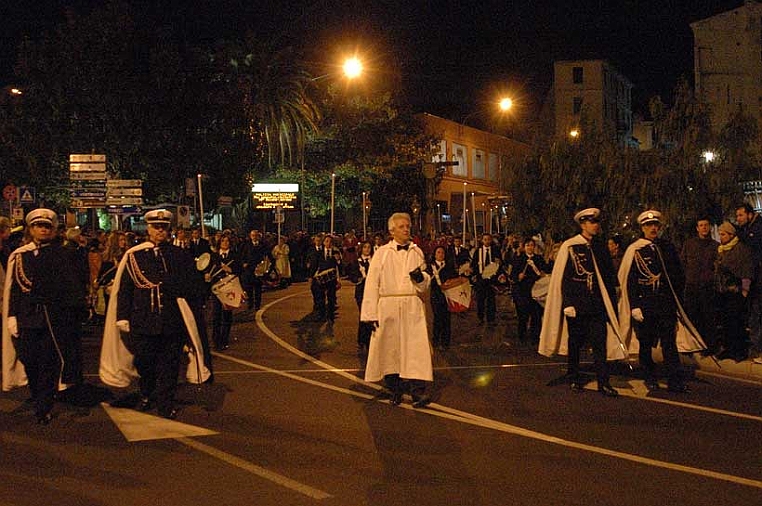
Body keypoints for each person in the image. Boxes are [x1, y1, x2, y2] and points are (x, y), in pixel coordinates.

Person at [100, 209, 209, 419]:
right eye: (155, 227)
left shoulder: (179, 255)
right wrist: (122, 316)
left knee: (170, 364)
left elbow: (190, 286)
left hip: (171, 321)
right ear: (148, 228)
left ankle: (165, 404)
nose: (160, 230)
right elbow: (125, 289)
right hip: (143, 321)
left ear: (168, 230)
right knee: (145, 362)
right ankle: (147, 393)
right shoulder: (135, 255)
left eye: (163, 227)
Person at [3, 209, 88, 423]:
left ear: (53, 230)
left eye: (47, 226)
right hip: (27, 318)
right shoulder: (20, 254)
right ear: (30, 229)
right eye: (38, 226)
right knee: (29, 360)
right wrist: (12, 315)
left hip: (52, 319)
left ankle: (44, 407)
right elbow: (14, 288)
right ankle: (38, 394)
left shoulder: (63, 254)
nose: (42, 229)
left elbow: (72, 287)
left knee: (48, 364)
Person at [618, 210, 705, 393]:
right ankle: (649, 377)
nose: (653, 228)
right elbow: (630, 280)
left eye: (655, 225)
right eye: (649, 225)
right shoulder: (635, 250)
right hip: (645, 305)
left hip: (665, 305)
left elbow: (676, 276)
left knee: (669, 345)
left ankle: (675, 381)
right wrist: (634, 306)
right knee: (645, 345)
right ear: (642, 228)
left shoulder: (666, 247)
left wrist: (676, 304)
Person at [538, 208, 621, 397]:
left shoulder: (600, 247)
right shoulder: (571, 246)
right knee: (575, 343)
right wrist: (567, 303)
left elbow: (608, 276)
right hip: (577, 306)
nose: (595, 225)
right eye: (591, 222)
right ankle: (574, 376)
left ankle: (603, 382)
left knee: (600, 344)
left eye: (596, 222)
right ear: (583, 224)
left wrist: (612, 301)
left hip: (597, 305)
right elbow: (564, 278)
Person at [361, 212, 433, 407]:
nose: (406, 229)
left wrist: (420, 279)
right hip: (389, 306)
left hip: (411, 305)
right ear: (392, 230)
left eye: (408, 226)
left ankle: (418, 391)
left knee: (415, 348)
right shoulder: (382, 253)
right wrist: (370, 313)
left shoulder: (417, 252)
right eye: (401, 226)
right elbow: (372, 283)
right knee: (390, 348)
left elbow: (426, 281)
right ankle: (395, 388)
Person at [714, 221, 754, 361]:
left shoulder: (740, 249)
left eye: (724, 234)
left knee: (737, 323)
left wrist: (744, 291)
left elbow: (746, 271)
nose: (721, 237)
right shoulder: (721, 249)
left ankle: (739, 351)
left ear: (731, 235)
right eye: (720, 234)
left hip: (735, 292)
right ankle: (728, 349)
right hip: (723, 291)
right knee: (726, 322)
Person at [681, 216, 719, 353]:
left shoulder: (715, 246)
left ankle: (710, 346)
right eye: (701, 225)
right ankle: (695, 344)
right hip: (692, 286)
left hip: (707, 286)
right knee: (693, 316)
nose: (704, 227)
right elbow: (683, 263)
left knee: (708, 317)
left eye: (706, 225)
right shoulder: (689, 244)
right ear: (697, 228)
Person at [735, 203, 762, 362]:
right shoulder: (749, 229)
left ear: (750, 215)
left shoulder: (756, 229)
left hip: (758, 280)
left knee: (756, 315)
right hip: (754, 279)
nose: (738, 219)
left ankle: (757, 351)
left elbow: (752, 246)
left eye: (740, 215)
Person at [511, 237, 549, 343]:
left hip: (536, 291)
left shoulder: (538, 258)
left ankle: (535, 336)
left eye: (532, 245)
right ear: (524, 247)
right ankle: (522, 336)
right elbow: (513, 275)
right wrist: (518, 276)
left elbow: (545, 270)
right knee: (523, 315)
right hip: (522, 291)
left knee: (536, 315)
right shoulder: (518, 259)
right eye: (528, 245)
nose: (530, 247)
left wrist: (542, 273)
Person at [209, 235, 241, 351]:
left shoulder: (234, 256)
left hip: (229, 289)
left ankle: (224, 339)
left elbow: (240, 270)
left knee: (227, 315)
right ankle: (216, 340)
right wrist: (207, 276)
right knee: (216, 315)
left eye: (227, 241)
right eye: (223, 241)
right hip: (217, 289)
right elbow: (208, 270)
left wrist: (231, 270)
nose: (225, 243)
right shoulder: (213, 256)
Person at [427, 245, 458, 350]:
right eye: (438, 252)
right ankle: (435, 340)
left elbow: (455, 278)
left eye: (442, 253)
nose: (440, 254)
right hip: (436, 294)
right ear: (435, 254)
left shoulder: (448, 266)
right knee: (437, 318)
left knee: (446, 318)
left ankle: (445, 342)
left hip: (448, 295)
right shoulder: (430, 267)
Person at [348, 240, 373, 354]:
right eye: (365, 247)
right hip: (361, 292)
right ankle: (362, 340)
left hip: (372, 292)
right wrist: (357, 279)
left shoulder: (374, 261)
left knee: (371, 316)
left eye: (369, 247)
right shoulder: (356, 262)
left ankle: (368, 339)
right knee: (363, 315)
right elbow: (352, 275)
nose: (367, 249)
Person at [470, 232, 501, 325]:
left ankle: (491, 318)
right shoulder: (478, 251)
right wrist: (473, 274)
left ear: (491, 240)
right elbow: (474, 264)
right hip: (481, 278)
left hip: (492, 278)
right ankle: (480, 317)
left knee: (491, 299)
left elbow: (500, 263)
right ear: (482, 240)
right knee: (480, 299)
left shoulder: (495, 250)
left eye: (488, 239)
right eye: (485, 239)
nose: (487, 241)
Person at [308, 235, 340, 323]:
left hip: (332, 278)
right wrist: (311, 277)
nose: (328, 243)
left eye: (330, 242)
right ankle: (321, 315)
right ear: (323, 242)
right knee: (320, 297)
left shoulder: (335, 253)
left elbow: (339, 267)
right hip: (322, 278)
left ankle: (330, 316)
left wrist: (338, 260)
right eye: (326, 241)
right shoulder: (319, 253)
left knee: (331, 297)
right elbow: (314, 265)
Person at [240, 229, 270, 311]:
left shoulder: (263, 245)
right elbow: (242, 255)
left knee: (258, 288)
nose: (255, 237)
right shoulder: (246, 245)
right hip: (249, 269)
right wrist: (244, 263)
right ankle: (250, 303)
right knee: (249, 288)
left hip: (259, 269)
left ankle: (257, 305)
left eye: (256, 235)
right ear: (250, 236)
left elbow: (267, 256)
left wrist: (265, 266)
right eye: (253, 235)